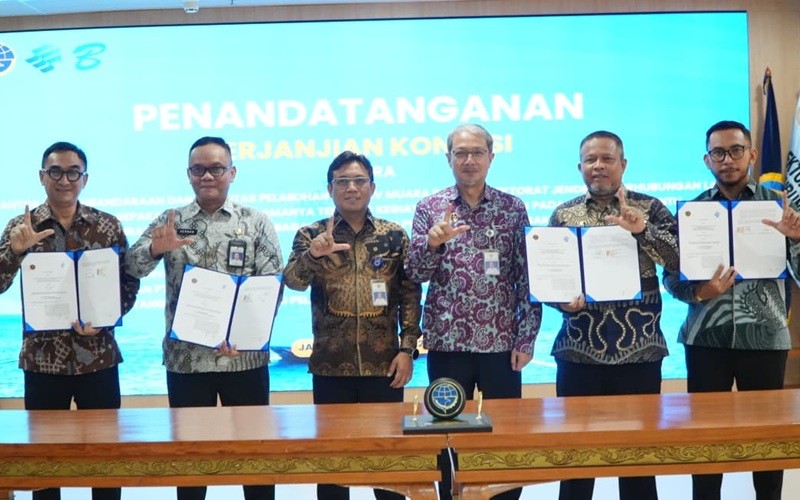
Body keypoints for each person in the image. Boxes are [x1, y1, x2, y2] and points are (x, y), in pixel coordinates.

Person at [124, 136, 282, 500]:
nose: (207, 176)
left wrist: (244, 335)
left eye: (215, 168)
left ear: (232, 172)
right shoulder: (171, 221)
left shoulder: (256, 222)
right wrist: (155, 248)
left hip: (243, 359)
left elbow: (270, 286)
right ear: (189, 174)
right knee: (190, 459)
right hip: (187, 362)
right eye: (198, 169)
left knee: (255, 457)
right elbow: (131, 266)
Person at [663, 120, 800, 500]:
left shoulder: (781, 206)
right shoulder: (691, 212)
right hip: (707, 340)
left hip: (766, 338)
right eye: (718, 153)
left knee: (767, 441)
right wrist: (701, 292)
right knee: (706, 440)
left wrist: (798, 241)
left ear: (752, 154)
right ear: (707, 160)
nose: (728, 160)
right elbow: (671, 278)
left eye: (736, 151)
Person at [405, 123, 541, 500]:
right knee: (448, 434)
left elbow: (526, 278)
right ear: (448, 158)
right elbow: (414, 275)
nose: (469, 160)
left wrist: (526, 338)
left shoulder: (512, 208)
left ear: (491, 157)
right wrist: (431, 244)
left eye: (477, 152)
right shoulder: (429, 208)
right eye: (460, 153)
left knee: (503, 435)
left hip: (501, 344)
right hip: (448, 345)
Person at [0, 141, 140, 500]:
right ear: (42, 176)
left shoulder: (107, 226)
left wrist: (107, 319)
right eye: (56, 172)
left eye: (73, 172)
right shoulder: (21, 227)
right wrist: (15, 252)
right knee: (45, 462)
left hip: (99, 357)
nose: (64, 180)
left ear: (84, 178)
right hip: (43, 361)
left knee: (107, 458)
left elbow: (128, 283)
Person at [283, 150, 422, 500]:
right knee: (332, 465)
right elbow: (292, 282)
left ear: (372, 187)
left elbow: (409, 295)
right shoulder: (311, 234)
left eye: (359, 181)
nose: (351, 188)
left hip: (384, 366)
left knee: (388, 461)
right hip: (331, 366)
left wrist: (408, 350)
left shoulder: (394, 236)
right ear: (330, 189)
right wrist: (314, 255)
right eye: (342, 181)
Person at [548, 130, 678, 500]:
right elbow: (550, 277)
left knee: (638, 462)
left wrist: (642, 230)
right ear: (580, 167)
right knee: (575, 462)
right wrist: (561, 301)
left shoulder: (650, 208)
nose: (599, 166)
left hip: (639, 354)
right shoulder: (564, 214)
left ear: (623, 164)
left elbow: (678, 261)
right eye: (591, 160)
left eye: (607, 159)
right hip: (578, 354)